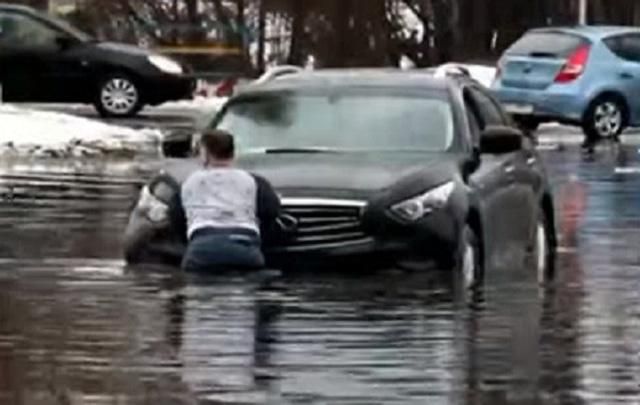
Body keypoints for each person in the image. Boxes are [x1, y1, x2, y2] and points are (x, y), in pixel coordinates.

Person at [170, 129, 281, 272]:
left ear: (205, 154)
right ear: (233, 153)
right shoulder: (253, 181)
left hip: (201, 251)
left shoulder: (189, 182)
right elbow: (271, 211)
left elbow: (176, 216)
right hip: (245, 250)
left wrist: (191, 241)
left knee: (196, 289)